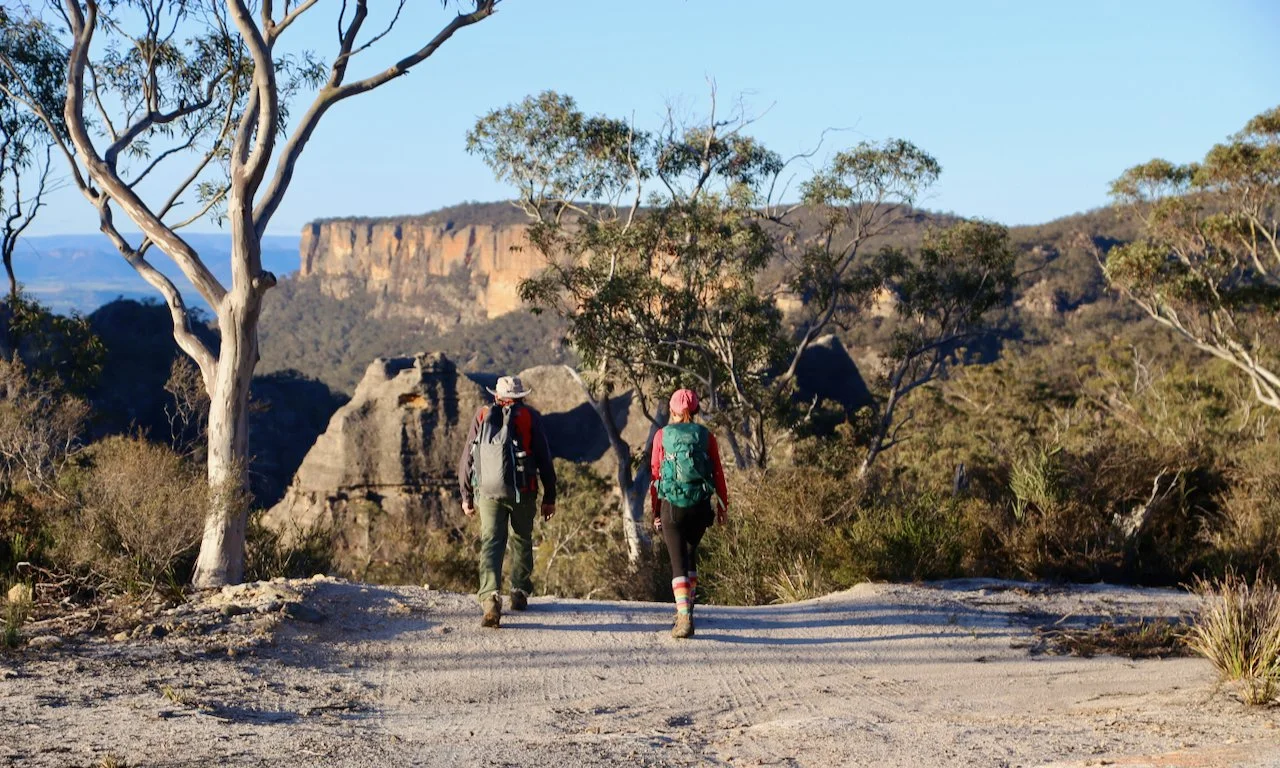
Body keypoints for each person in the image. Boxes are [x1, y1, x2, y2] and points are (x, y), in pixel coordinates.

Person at [458, 375, 557, 628]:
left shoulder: (482, 415)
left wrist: (466, 495)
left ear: (496, 396)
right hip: (524, 490)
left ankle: (490, 598)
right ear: (521, 397)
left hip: (488, 492)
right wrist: (550, 496)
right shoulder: (529, 417)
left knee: (492, 542)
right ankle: (519, 591)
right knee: (521, 538)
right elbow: (544, 458)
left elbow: (468, 457)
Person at [649, 388, 728, 639]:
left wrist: (655, 509)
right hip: (701, 504)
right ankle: (689, 607)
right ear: (695, 411)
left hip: (672, 505)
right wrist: (722, 505)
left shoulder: (662, 436)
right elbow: (717, 472)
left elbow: (655, 474)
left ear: (672, 411)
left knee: (677, 561)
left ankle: (684, 618)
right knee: (691, 554)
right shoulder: (707, 436)